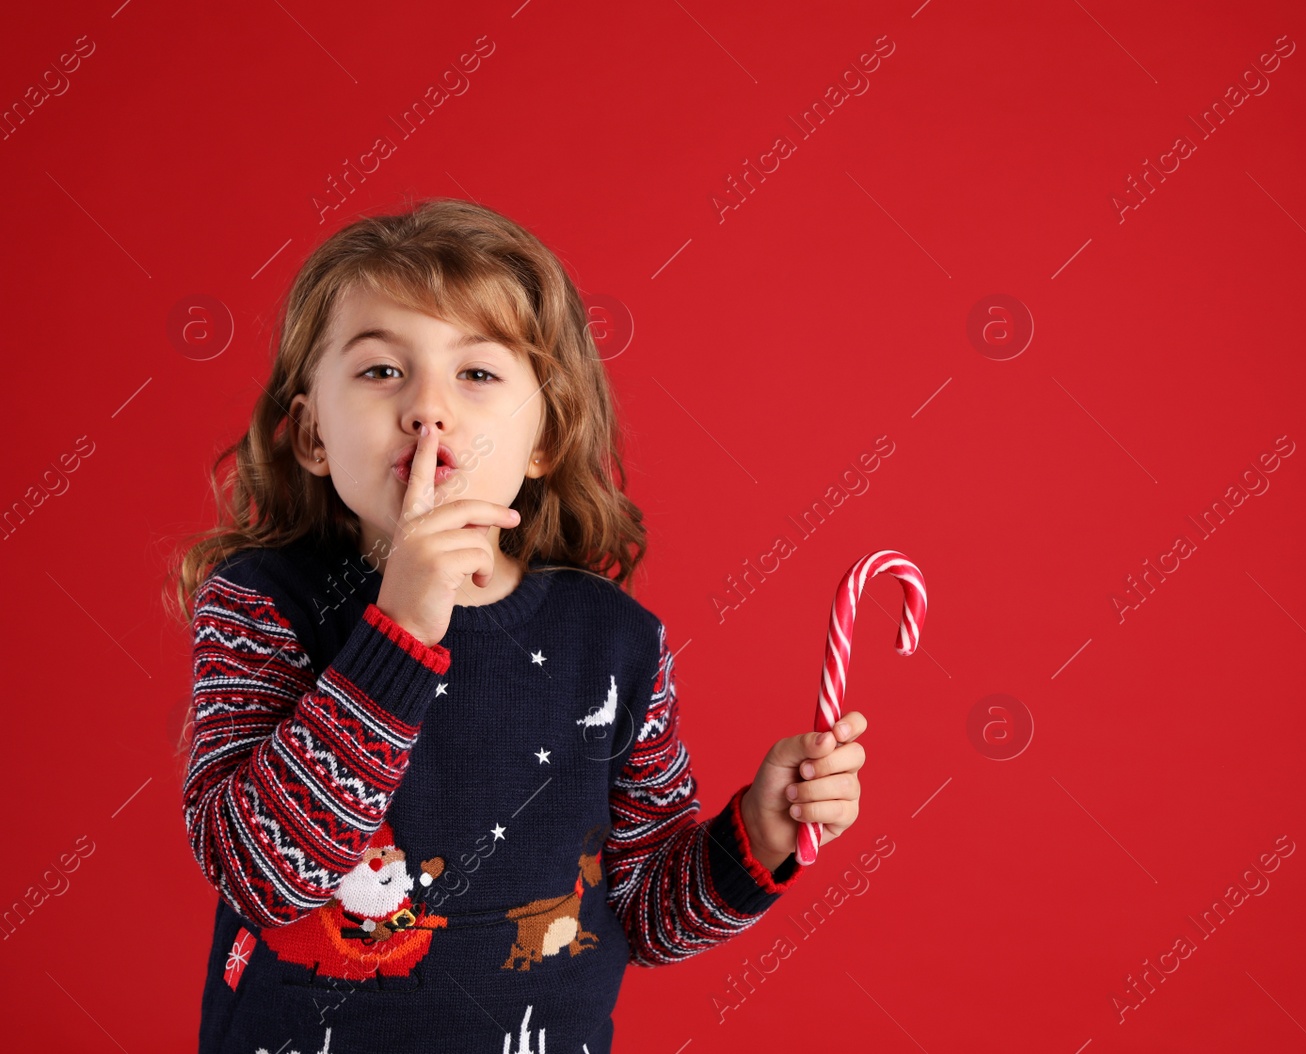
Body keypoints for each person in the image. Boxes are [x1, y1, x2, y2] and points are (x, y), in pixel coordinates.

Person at [164, 198, 869, 1054]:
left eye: (477, 374)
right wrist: (401, 626)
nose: (428, 409)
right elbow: (261, 873)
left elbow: (645, 915)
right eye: (382, 371)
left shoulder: (614, 643)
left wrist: (756, 836)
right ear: (312, 431)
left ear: (544, 439)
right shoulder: (260, 607)